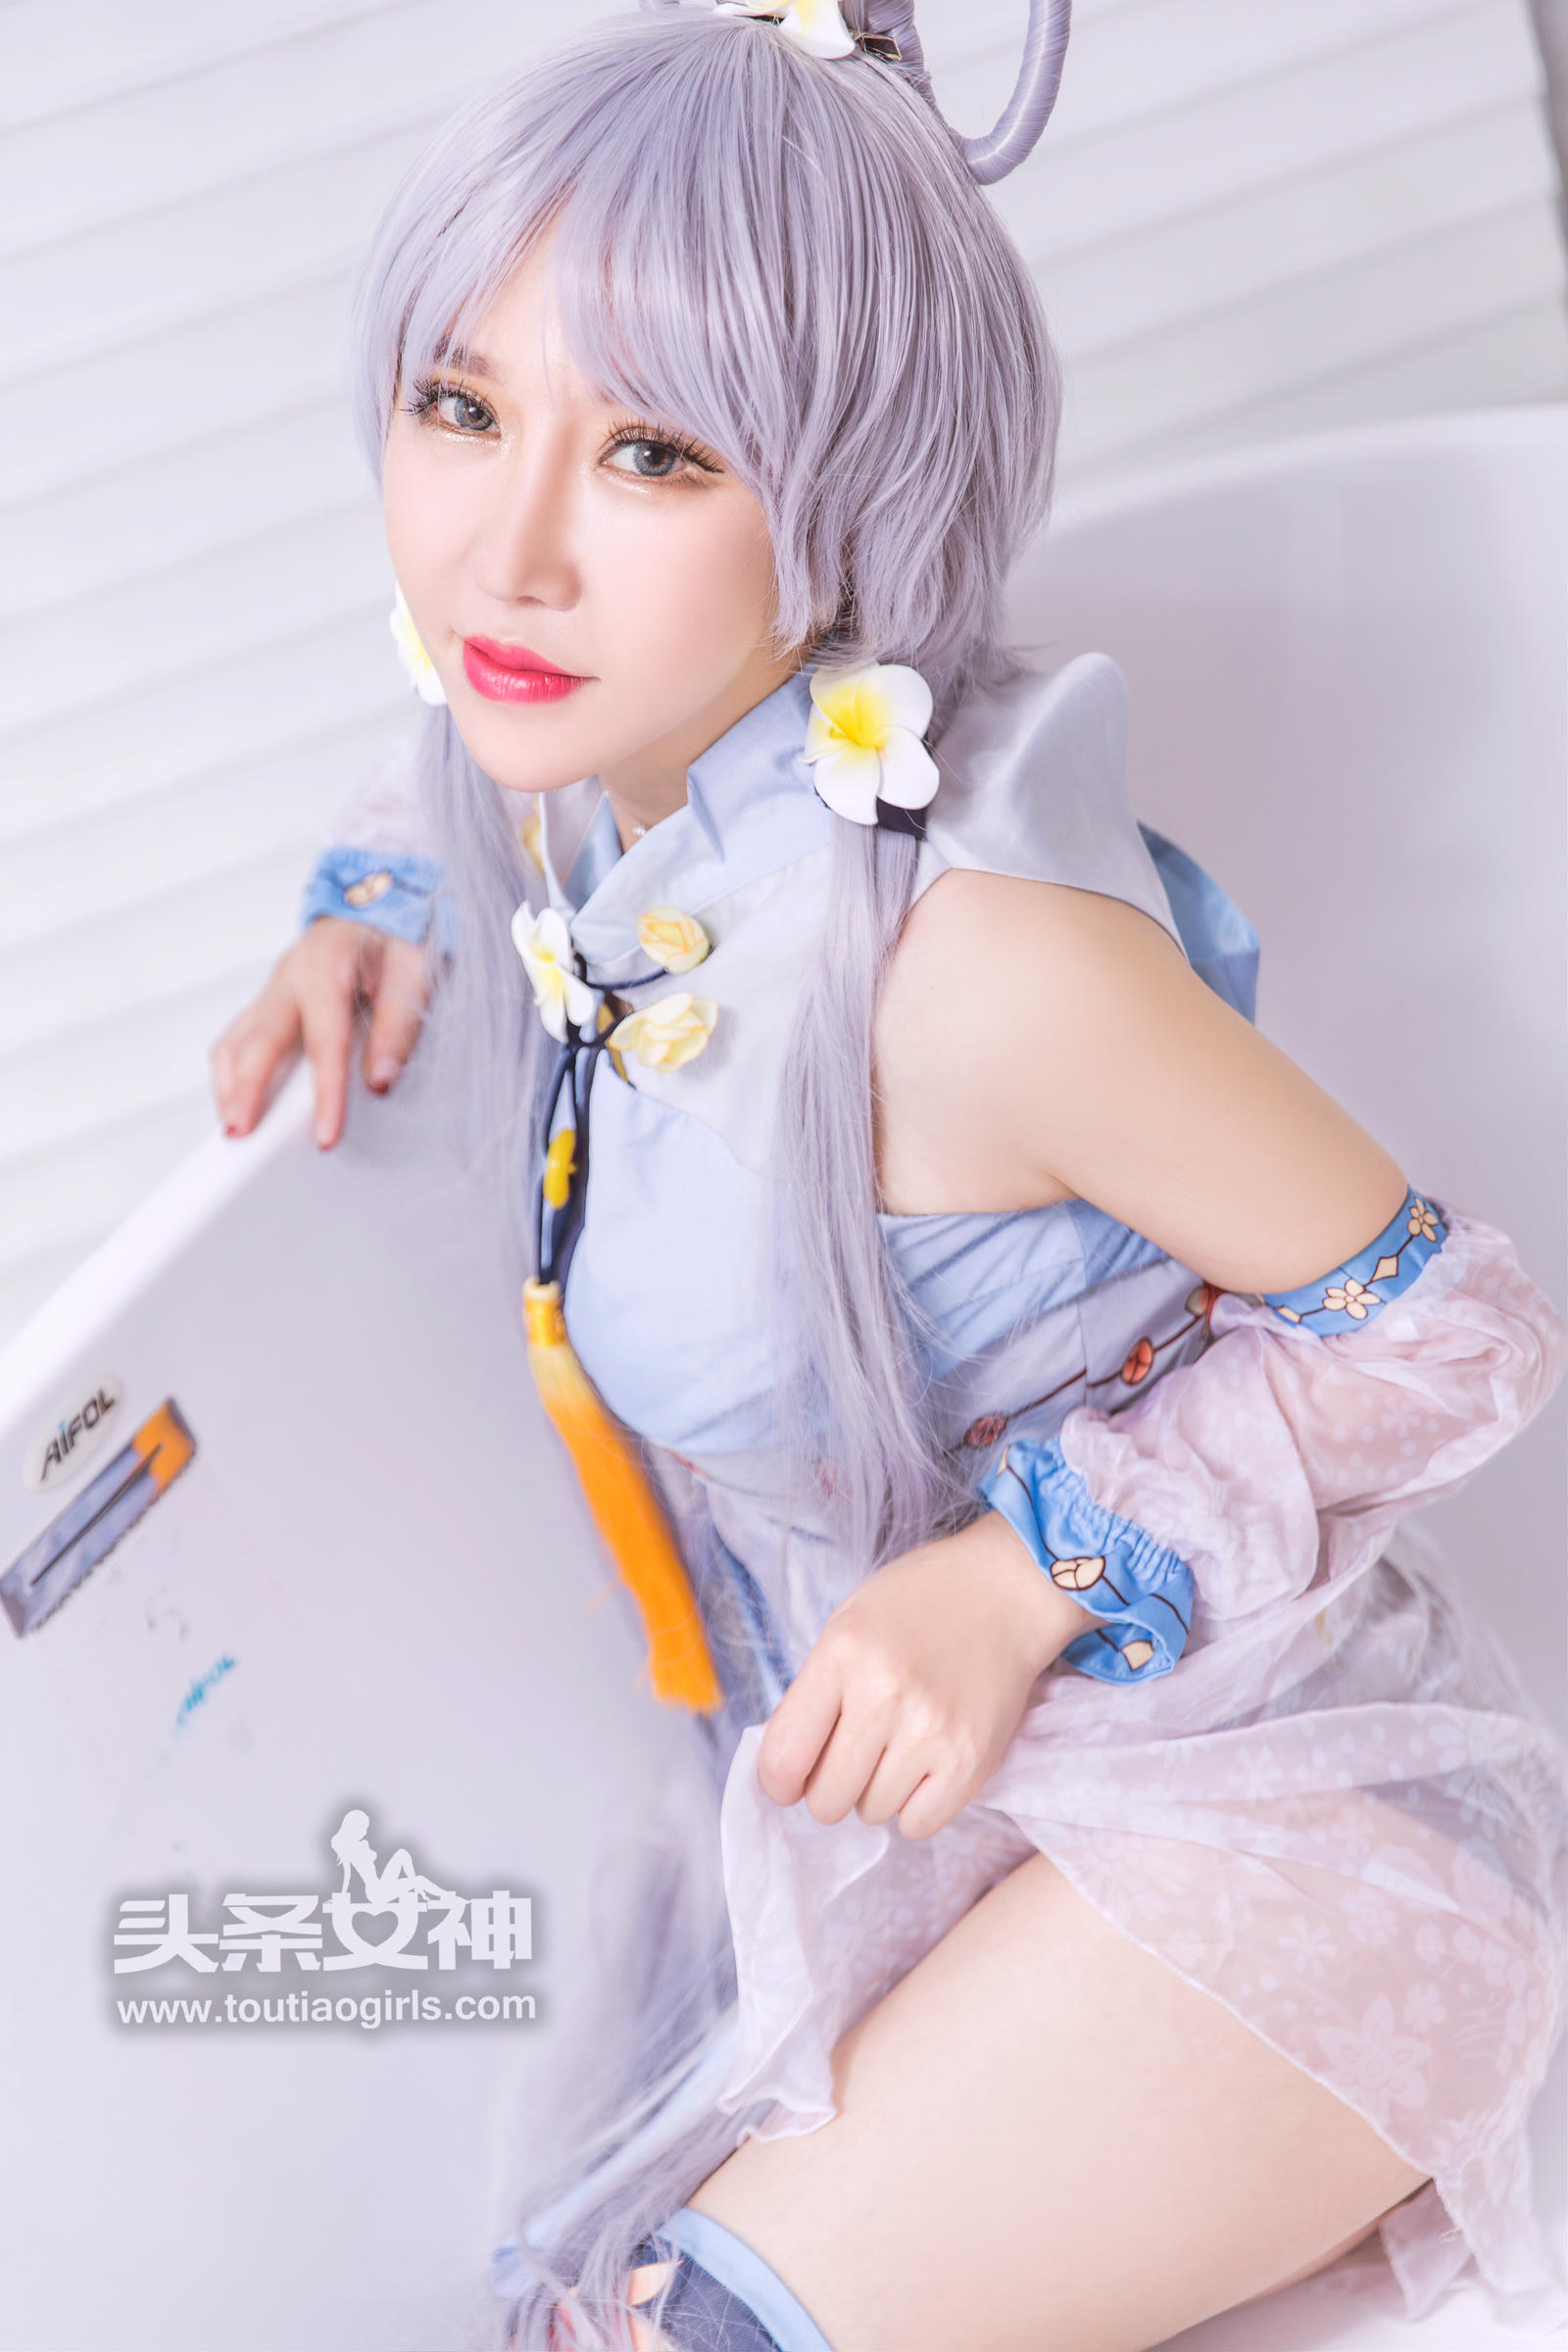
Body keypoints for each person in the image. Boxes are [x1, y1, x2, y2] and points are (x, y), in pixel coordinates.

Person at [210, 4, 1568, 2346]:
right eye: (460, 406)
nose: (503, 554)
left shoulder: (971, 968)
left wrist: (1018, 1579)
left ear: (847, 505)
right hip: (936, 1842)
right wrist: (376, 904)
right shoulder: (600, 780)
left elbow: (1462, 1329)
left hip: (1286, 1870)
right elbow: (464, 713)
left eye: (652, 452)